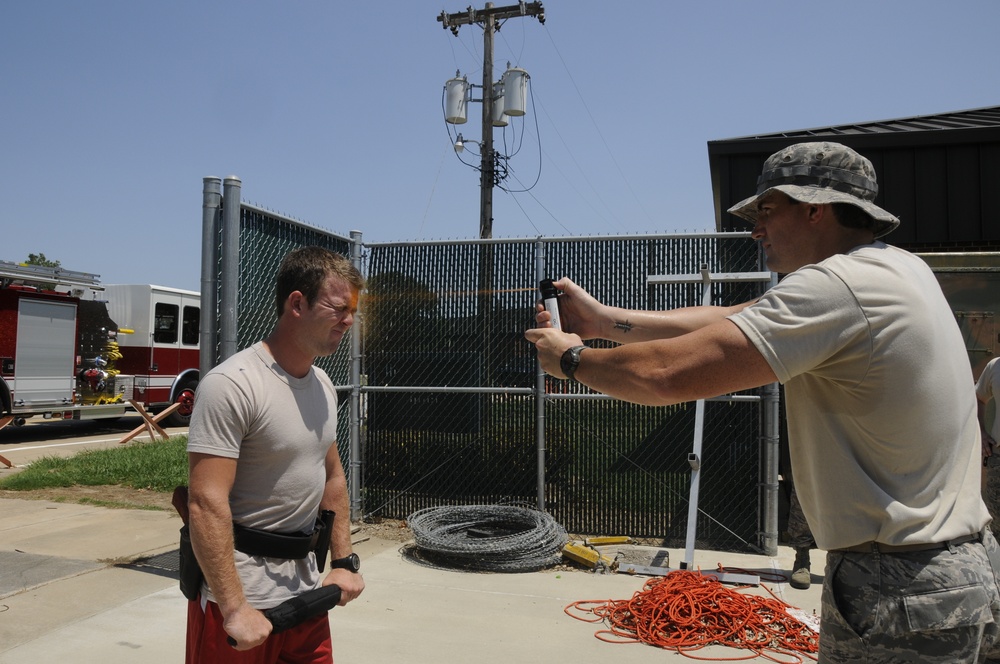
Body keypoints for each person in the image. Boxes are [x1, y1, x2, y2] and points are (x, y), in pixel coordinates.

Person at [525, 142, 1000, 662]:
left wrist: (572, 359)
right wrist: (602, 323)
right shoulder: (896, 270)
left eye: (767, 211)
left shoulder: (837, 286)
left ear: (815, 208)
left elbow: (665, 376)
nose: (756, 230)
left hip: (900, 582)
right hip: (955, 567)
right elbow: (726, 319)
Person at [185, 246, 367, 662]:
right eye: (339, 308)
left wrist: (344, 561)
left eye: (353, 310)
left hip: (305, 596)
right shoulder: (233, 384)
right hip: (240, 607)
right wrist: (234, 608)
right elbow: (204, 500)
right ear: (297, 303)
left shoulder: (322, 384)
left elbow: (333, 476)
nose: (349, 321)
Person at [979, 356, 1000, 535]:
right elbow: (978, 398)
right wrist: (982, 433)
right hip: (998, 461)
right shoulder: (995, 366)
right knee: (997, 527)